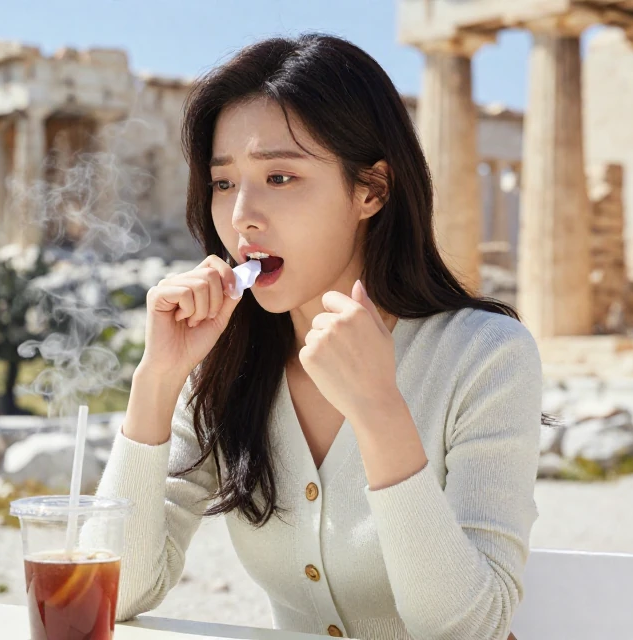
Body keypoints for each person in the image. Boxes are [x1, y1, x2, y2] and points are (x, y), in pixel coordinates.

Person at [95, 32, 541, 640]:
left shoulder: (485, 356)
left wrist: (380, 411)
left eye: (280, 177)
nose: (242, 215)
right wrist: (157, 380)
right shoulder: (223, 363)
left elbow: (469, 627)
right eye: (224, 183)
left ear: (371, 190)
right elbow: (112, 593)